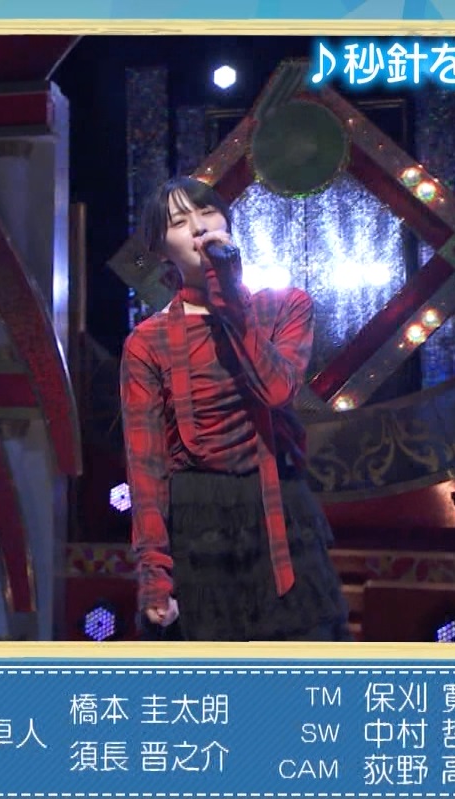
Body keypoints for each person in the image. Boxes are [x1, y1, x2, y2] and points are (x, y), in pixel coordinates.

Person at [121, 176, 351, 642]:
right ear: (160, 249)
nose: (199, 228)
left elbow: (276, 390)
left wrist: (227, 290)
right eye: (180, 222)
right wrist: (154, 573)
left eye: (207, 212)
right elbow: (146, 469)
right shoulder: (147, 342)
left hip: (277, 507)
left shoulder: (285, 306)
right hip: (197, 523)